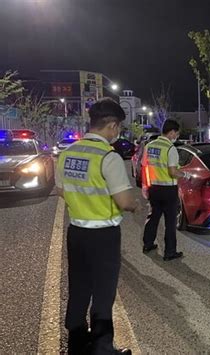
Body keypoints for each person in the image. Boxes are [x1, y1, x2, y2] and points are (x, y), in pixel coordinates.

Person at [56, 98, 139, 354]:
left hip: (77, 232)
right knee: (103, 293)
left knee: (79, 287)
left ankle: (77, 344)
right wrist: (136, 205)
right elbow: (124, 201)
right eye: (119, 128)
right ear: (112, 126)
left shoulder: (67, 153)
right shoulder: (108, 157)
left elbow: (61, 191)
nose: (118, 133)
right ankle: (102, 348)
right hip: (103, 235)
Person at [141, 119, 191, 261]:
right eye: (176, 133)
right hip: (168, 190)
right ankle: (169, 252)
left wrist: (145, 186)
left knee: (153, 216)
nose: (176, 136)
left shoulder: (149, 146)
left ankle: (148, 244)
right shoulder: (170, 149)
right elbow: (173, 172)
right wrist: (185, 175)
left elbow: (145, 168)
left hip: (154, 188)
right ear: (171, 132)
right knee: (170, 222)